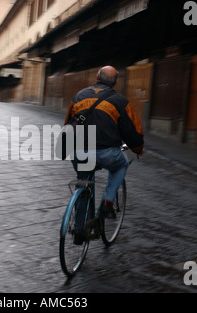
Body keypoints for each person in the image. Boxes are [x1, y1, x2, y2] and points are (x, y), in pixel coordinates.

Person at [64, 65, 144, 244]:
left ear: (96, 77)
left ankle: (79, 230)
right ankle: (108, 201)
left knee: (84, 184)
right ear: (116, 82)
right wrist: (138, 148)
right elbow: (132, 131)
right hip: (105, 152)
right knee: (121, 165)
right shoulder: (120, 101)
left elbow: (68, 124)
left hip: (78, 151)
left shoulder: (78, 96)